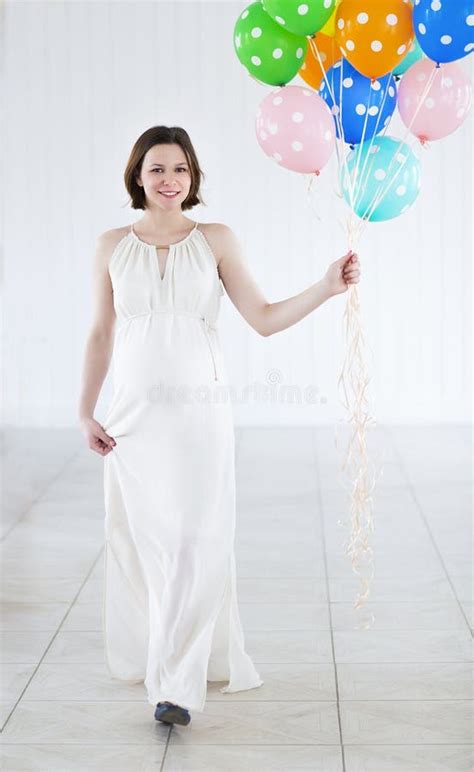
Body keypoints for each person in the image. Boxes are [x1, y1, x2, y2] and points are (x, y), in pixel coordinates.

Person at [78, 125, 360, 727]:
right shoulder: (109, 245)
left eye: (180, 169)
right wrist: (86, 409)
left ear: (193, 176)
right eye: (156, 169)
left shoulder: (216, 240)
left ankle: (174, 687)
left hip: (199, 414)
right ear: (137, 176)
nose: (169, 180)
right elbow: (101, 334)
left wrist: (325, 287)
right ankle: (168, 656)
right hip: (132, 416)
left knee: (195, 540)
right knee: (145, 542)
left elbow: (261, 317)